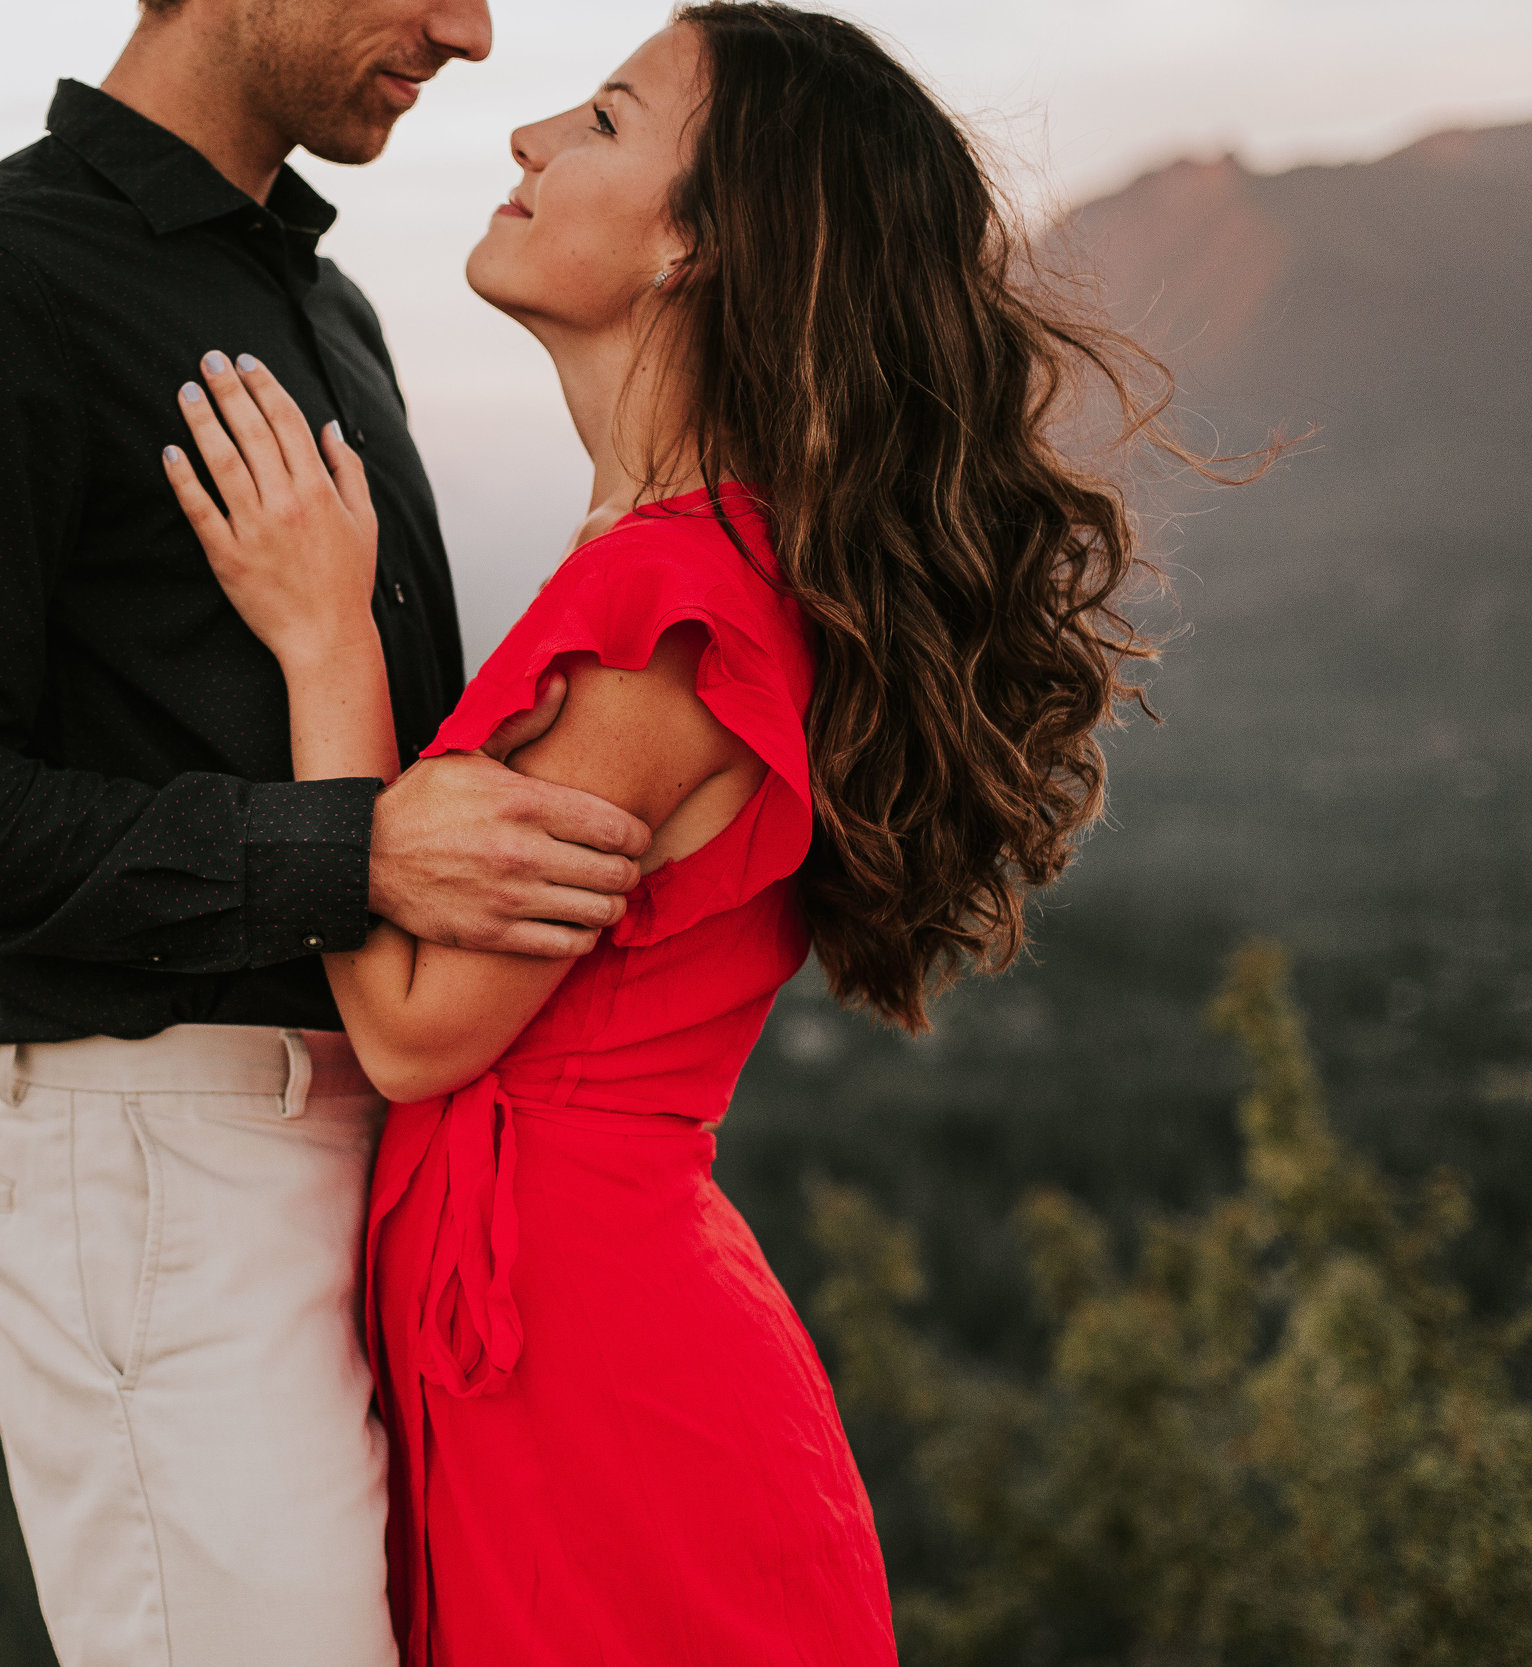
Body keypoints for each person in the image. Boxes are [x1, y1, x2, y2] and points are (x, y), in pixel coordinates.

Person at [160, 4, 1200, 1661]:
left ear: (698, 244)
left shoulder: (669, 606)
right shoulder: (684, 560)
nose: (524, 135)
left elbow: (422, 1029)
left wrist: (322, 638)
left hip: (597, 1384)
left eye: (603, 121)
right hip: (555, 1336)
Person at [0, 2, 660, 1663]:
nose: (471, 33)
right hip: (158, 1166)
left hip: (383, 1153)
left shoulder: (328, 309)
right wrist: (349, 856)